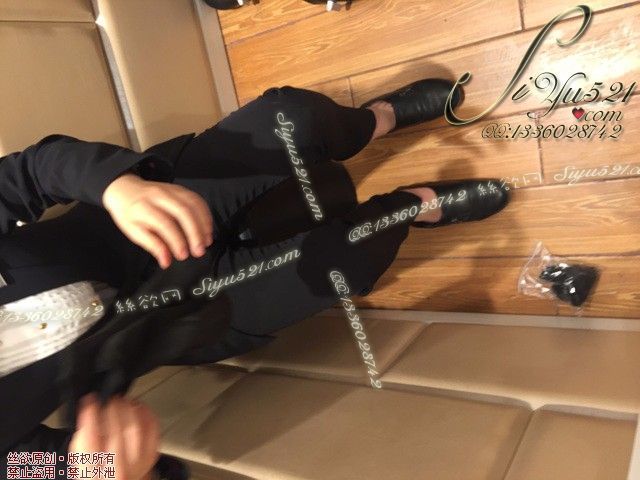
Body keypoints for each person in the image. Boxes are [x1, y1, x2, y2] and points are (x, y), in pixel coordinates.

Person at [0, 78, 509, 479]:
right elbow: (62, 467)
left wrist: (114, 185)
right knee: (347, 264)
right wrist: (106, 470)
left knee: (296, 119)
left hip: (135, 221)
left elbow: (26, 174)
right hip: (175, 320)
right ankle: (412, 207)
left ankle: (376, 119)